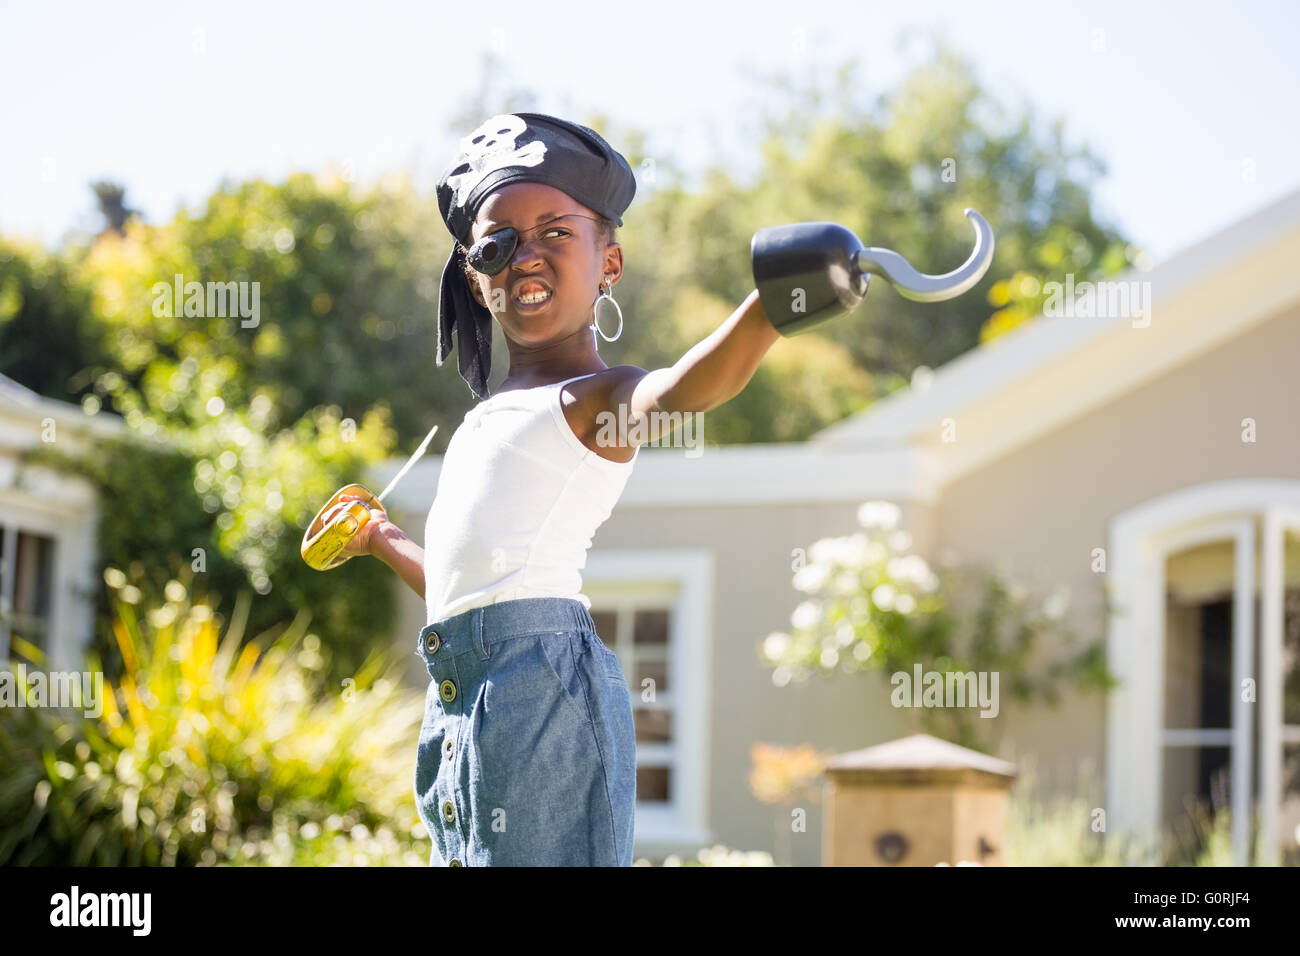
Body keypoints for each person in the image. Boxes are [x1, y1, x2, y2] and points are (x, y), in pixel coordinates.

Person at [321, 112, 782, 866]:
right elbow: (468, 589)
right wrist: (380, 539)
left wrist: (767, 311)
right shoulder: (487, 420)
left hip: (542, 693)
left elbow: (682, 394)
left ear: (611, 263)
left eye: (556, 233)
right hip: (463, 696)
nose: (525, 258)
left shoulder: (599, 401)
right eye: (498, 244)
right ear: (475, 278)